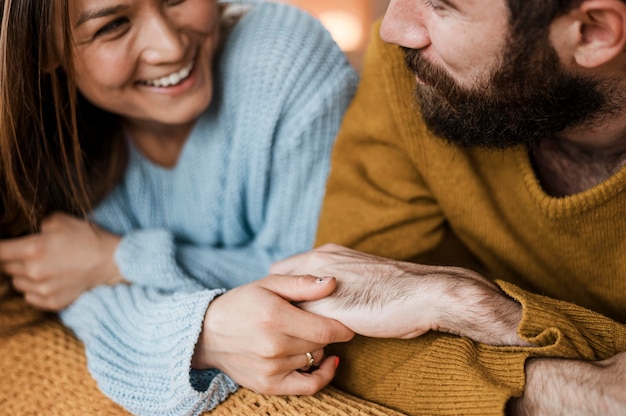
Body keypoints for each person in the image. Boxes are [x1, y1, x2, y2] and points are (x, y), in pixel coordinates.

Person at [268, 0, 626, 414]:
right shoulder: (421, 72)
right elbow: (335, 336)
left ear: (593, 31)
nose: (392, 29)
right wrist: (554, 387)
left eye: (440, 5)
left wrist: (492, 313)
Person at [0, 0, 358, 414]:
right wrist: (204, 335)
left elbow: (322, 285)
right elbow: (72, 293)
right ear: (47, 51)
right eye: (113, 25)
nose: (169, 46)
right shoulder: (41, 141)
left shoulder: (284, 54)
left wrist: (118, 261)